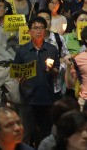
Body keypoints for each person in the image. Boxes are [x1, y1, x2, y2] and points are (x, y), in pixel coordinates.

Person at [13, 16, 60, 147]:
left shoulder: (52, 49)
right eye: (35, 28)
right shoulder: (22, 50)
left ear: (45, 30)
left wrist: (51, 70)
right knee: (26, 133)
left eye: (41, 28)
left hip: (47, 98)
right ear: (29, 31)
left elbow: (57, 71)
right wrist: (19, 77)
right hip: (27, 99)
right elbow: (16, 71)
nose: (38, 31)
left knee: (44, 134)